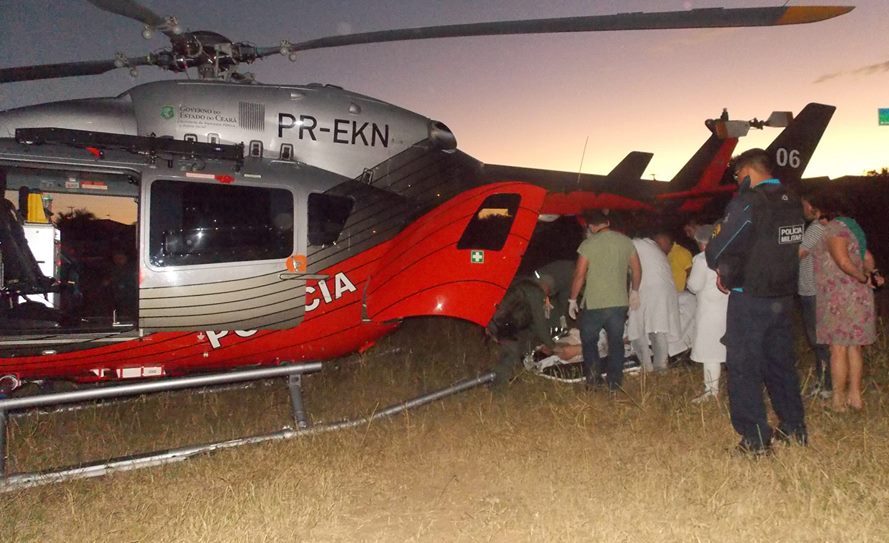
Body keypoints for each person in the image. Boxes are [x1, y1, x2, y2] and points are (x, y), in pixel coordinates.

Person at [705, 148, 807, 455]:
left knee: (743, 367)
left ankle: (755, 439)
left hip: (750, 295)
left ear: (747, 171)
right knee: (780, 364)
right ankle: (794, 428)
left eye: (737, 175)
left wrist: (721, 266)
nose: (737, 180)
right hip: (783, 295)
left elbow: (720, 244)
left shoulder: (749, 201)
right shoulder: (792, 200)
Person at [811, 193, 884, 411]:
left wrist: (863, 277)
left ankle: (838, 400)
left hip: (839, 297)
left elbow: (842, 261)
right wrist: (872, 274)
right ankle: (855, 397)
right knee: (854, 347)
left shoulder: (833, 229)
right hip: (858, 296)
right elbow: (867, 257)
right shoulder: (852, 226)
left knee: (838, 349)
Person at [568, 210, 641, 390]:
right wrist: (635, 291)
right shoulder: (626, 241)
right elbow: (637, 270)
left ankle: (594, 381)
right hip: (619, 302)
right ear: (607, 222)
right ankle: (614, 383)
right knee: (616, 342)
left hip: (595, 303)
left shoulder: (588, 244)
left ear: (591, 227)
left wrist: (572, 299)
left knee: (589, 342)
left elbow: (579, 275)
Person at [487, 274, 558, 387]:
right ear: (546, 287)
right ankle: (497, 387)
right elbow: (540, 323)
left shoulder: (523, 285)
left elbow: (531, 324)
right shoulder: (535, 292)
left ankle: (506, 377)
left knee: (518, 347)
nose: (546, 297)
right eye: (548, 293)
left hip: (497, 320)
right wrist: (552, 346)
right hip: (503, 324)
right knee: (511, 354)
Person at [686, 224, 728, 403]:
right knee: (725, 348)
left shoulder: (702, 259)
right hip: (728, 307)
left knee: (710, 352)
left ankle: (711, 390)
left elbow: (694, 285)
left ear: (701, 242)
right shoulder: (728, 254)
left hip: (710, 311)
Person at [627, 234, 680, 372]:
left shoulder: (631, 244)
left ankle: (653, 368)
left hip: (651, 290)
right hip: (659, 290)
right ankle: (657, 367)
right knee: (656, 327)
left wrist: (634, 291)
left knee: (641, 329)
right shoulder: (649, 245)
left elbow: (631, 270)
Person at [797, 190, 831, 398]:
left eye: (803, 205)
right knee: (820, 339)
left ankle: (825, 384)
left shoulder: (817, 227)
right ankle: (824, 381)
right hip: (815, 289)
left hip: (813, 290)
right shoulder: (824, 226)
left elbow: (799, 254)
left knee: (819, 339)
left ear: (811, 205)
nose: (802, 209)